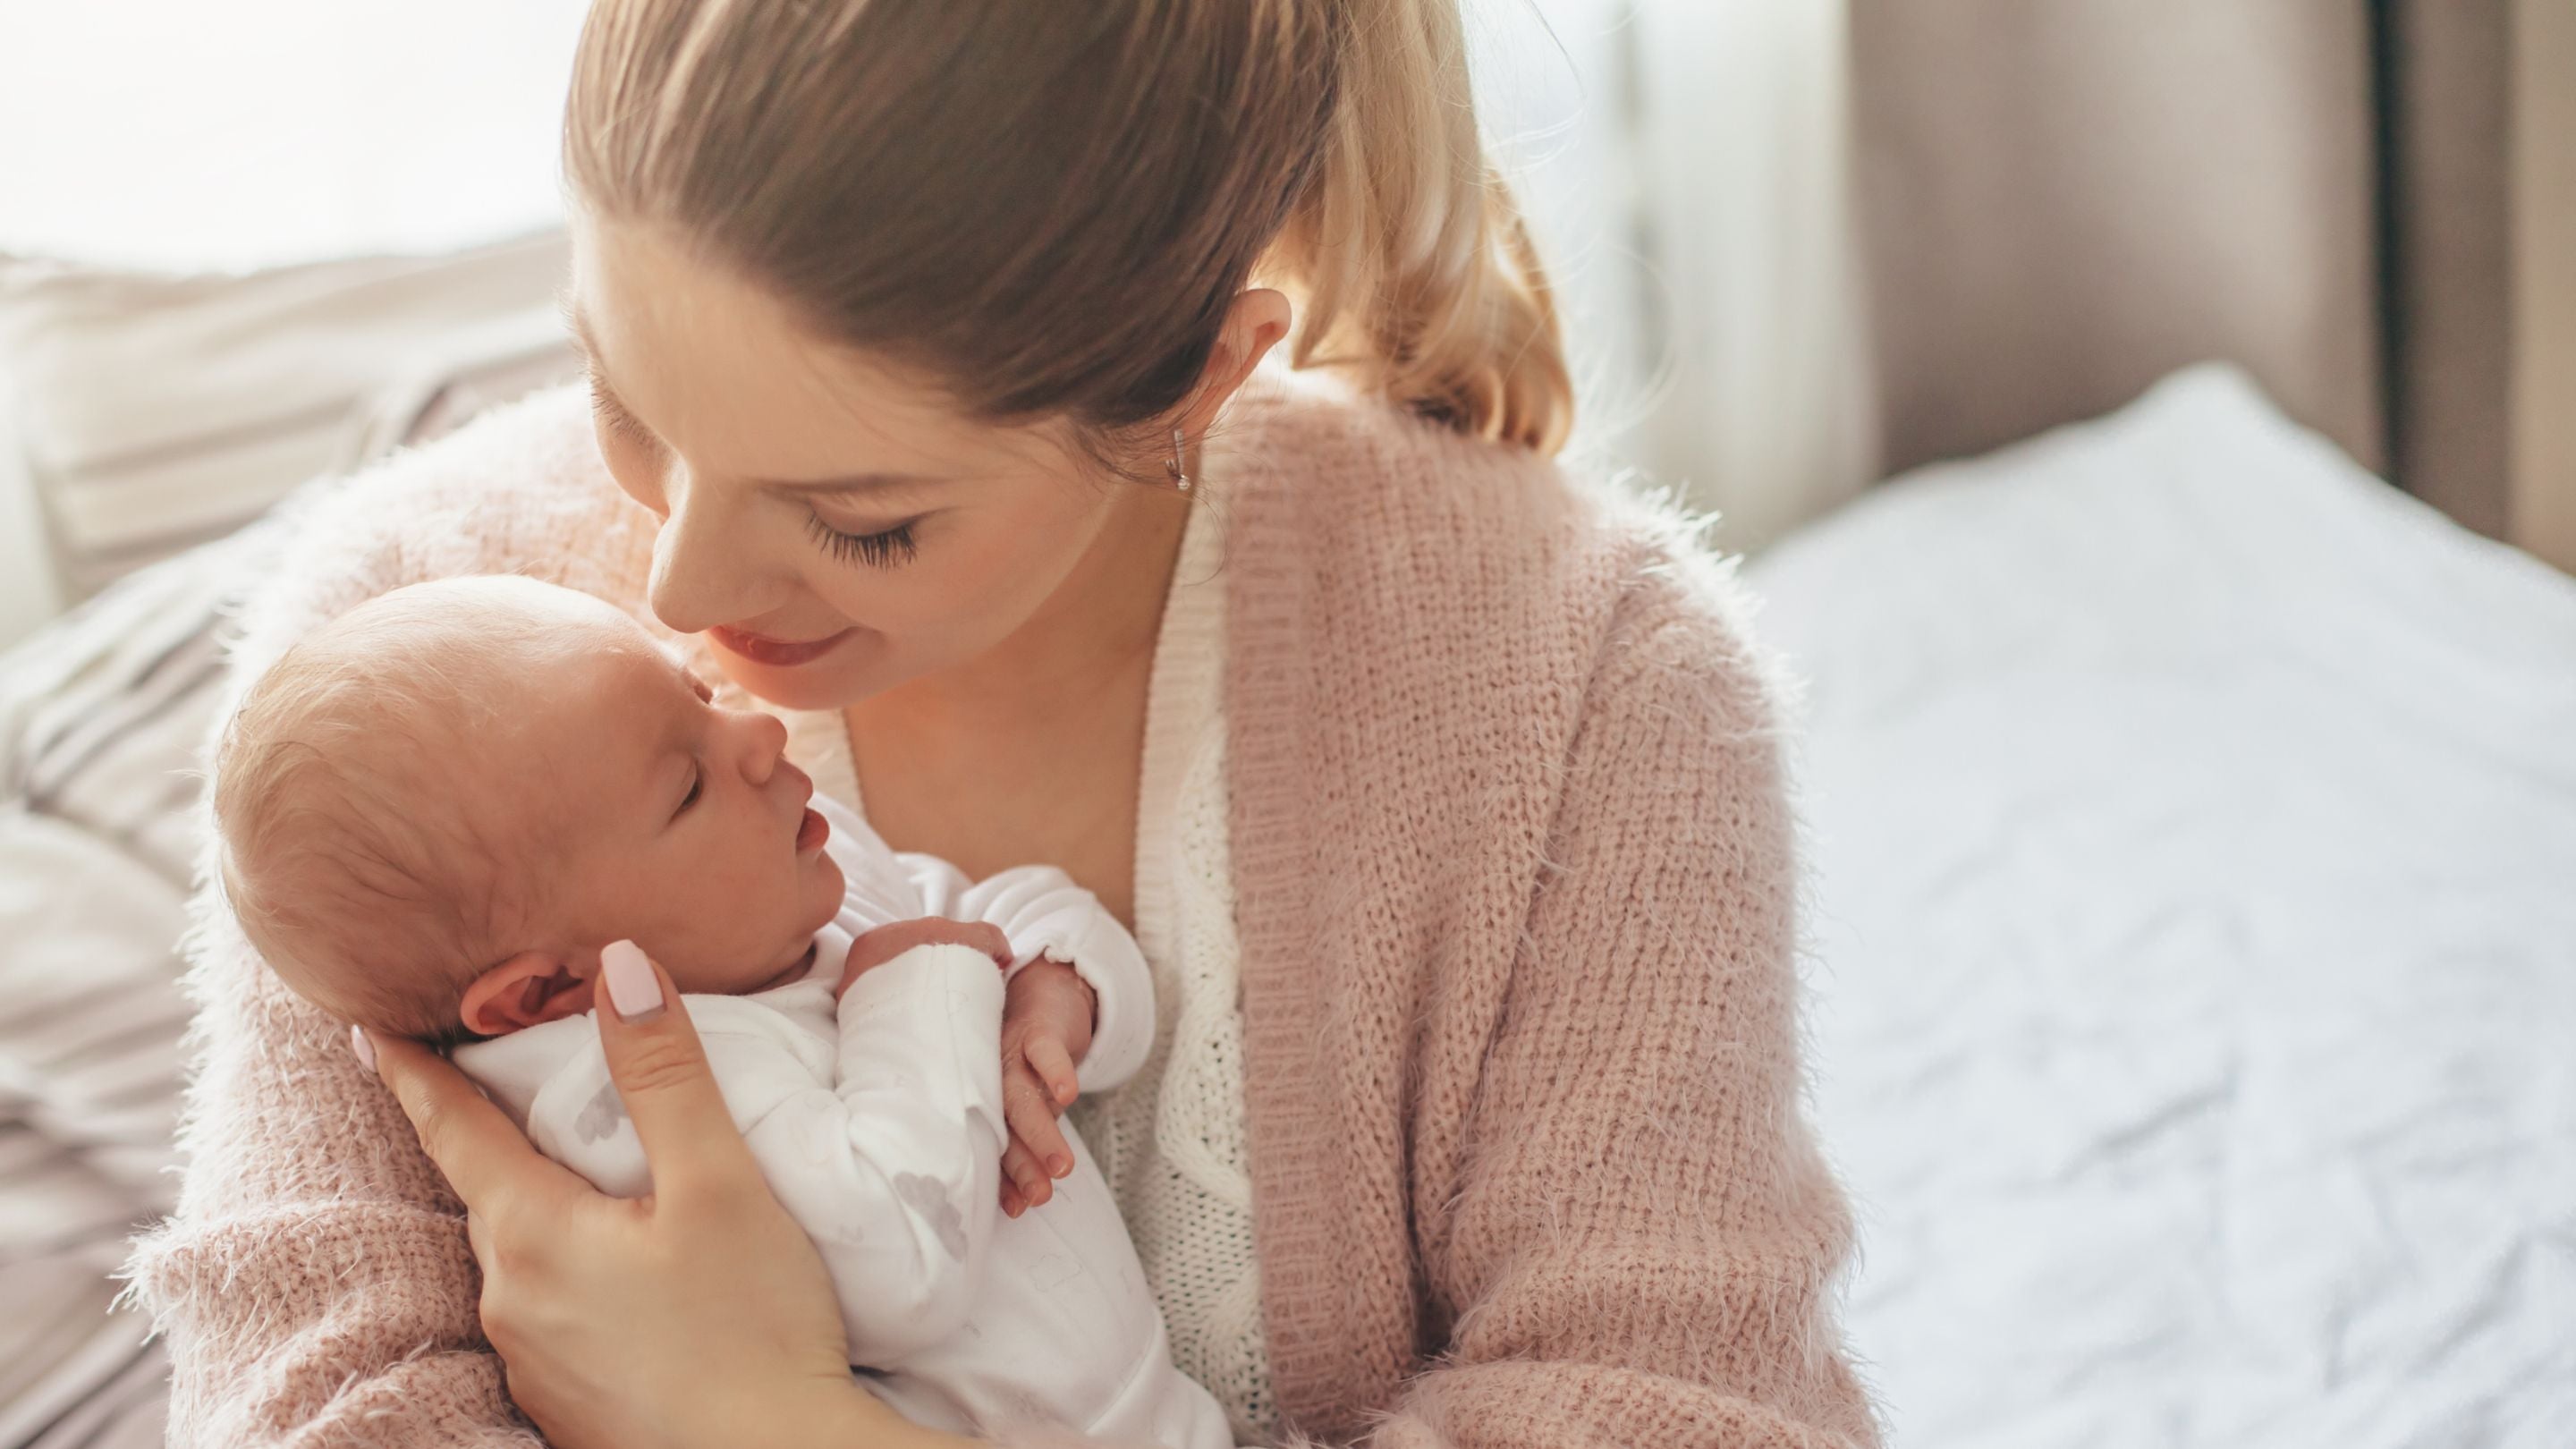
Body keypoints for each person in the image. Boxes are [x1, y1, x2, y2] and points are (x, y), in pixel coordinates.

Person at [129, 2, 1882, 1446]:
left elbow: (1673, 1404)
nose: (676, 588)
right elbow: (318, 1396)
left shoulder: (1592, 687)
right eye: (626, 398)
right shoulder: (408, 654)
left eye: (862, 517)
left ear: (1204, 370)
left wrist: (775, 1426)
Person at [208, 574, 1232, 1445]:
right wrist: (917, 985)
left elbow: (1004, 910)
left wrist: (1055, 990)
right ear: (545, 992)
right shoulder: (627, 1103)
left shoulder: (790, 897)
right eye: (686, 787)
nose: (756, 732)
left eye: (697, 692)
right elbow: (901, 1271)